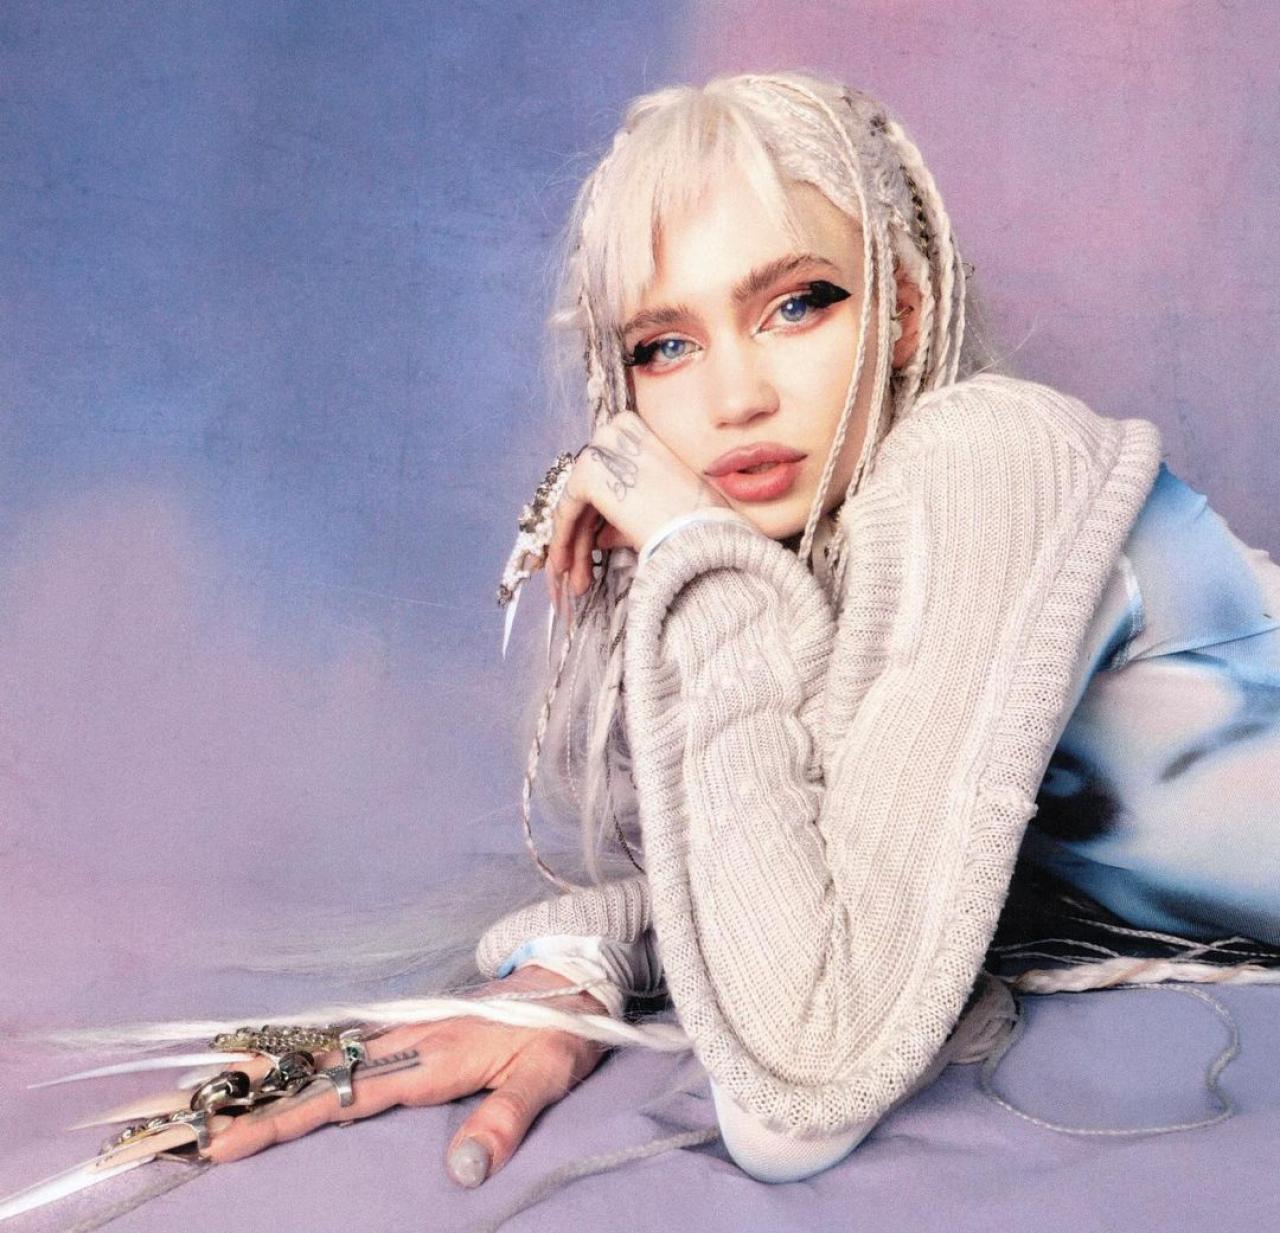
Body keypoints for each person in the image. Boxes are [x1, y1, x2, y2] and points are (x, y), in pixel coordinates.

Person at [25, 69, 1280, 1203]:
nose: (734, 397)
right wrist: (580, 969)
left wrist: (701, 564)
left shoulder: (981, 458)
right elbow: (847, 861)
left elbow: (800, 1091)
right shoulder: (860, 555)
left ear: (901, 312)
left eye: (796, 304)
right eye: (665, 346)